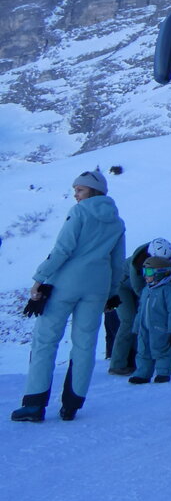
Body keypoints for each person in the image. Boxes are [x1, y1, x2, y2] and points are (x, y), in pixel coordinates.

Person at [11, 170, 126, 423]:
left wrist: (40, 277)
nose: (75, 194)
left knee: (45, 341)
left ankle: (34, 404)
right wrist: (113, 293)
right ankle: (72, 405)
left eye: (80, 190)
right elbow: (118, 262)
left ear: (93, 191)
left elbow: (63, 249)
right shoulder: (117, 222)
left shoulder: (80, 212)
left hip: (65, 285)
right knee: (85, 344)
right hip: (96, 288)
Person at [128, 238, 171, 385]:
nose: (146, 275)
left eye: (149, 271)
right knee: (143, 349)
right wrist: (137, 325)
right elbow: (140, 309)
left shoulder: (167, 290)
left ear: (160, 273)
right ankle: (142, 373)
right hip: (144, 326)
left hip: (160, 326)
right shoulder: (147, 290)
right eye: (145, 271)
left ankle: (163, 372)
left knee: (160, 348)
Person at [107, 243, 152, 375]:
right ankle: (117, 364)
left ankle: (135, 360)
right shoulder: (137, 262)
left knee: (141, 322)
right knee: (129, 321)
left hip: (136, 288)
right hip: (121, 288)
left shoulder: (162, 258)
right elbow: (138, 288)